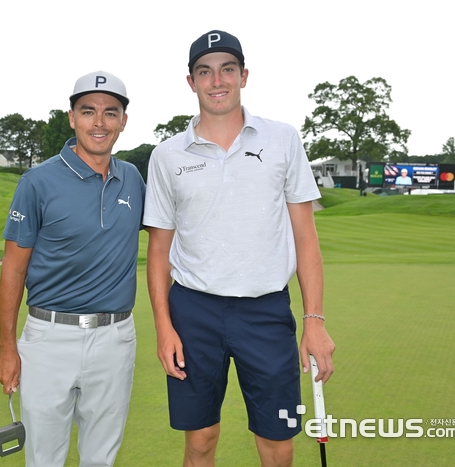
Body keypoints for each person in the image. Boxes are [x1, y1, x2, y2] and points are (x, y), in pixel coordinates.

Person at [143, 30, 335, 467]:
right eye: (205, 72)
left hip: (265, 311)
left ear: (244, 75)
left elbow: (305, 235)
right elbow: (158, 251)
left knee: (277, 441)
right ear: (190, 82)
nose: (217, 80)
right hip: (193, 312)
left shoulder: (283, 139)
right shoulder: (167, 155)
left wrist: (315, 320)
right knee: (201, 440)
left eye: (227, 69)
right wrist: (164, 326)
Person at [0, 70, 145, 467]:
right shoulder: (37, 181)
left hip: (115, 339)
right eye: (88, 111)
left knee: (101, 458)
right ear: (71, 118)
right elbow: (12, 268)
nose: (99, 123)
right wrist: (8, 347)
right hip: (48, 339)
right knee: (44, 458)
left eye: (110, 113)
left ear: (123, 122)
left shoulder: (132, 179)